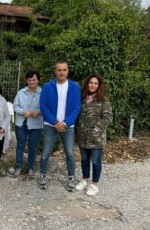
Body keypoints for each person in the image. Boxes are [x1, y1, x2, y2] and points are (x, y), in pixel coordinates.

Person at [38, 61, 81, 191]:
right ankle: (43, 175)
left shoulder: (74, 87)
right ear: (55, 71)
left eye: (64, 70)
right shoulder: (47, 86)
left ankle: (71, 177)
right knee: (45, 153)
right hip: (50, 125)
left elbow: (76, 107)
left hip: (68, 126)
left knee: (70, 153)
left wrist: (66, 123)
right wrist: (56, 123)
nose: (61, 72)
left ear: (68, 71)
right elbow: (43, 106)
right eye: (59, 70)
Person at [75, 74, 112, 196]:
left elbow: (108, 117)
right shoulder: (81, 98)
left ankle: (95, 184)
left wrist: (97, 128)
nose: (93, 85)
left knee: (96, 161)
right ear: (87, 84)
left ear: (99, 85)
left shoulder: (103, 99)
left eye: (96, 83)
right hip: (82, 136)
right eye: (91, 83)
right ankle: (85, 180)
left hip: (96, 138)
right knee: (84, 159)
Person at [12, 70, 43, 178]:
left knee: (33, 147)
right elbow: (15, 106)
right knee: (20, 145)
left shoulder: (43, 93)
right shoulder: (21, 92)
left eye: (34, 79)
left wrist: (39, 111)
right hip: (21, 123)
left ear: (38, 80)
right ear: (27, 81)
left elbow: (47, 107)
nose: (31, 82)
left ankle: (31, 168)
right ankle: (18, 167)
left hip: (36, 124)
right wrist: (22, 112)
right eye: (29, 80)